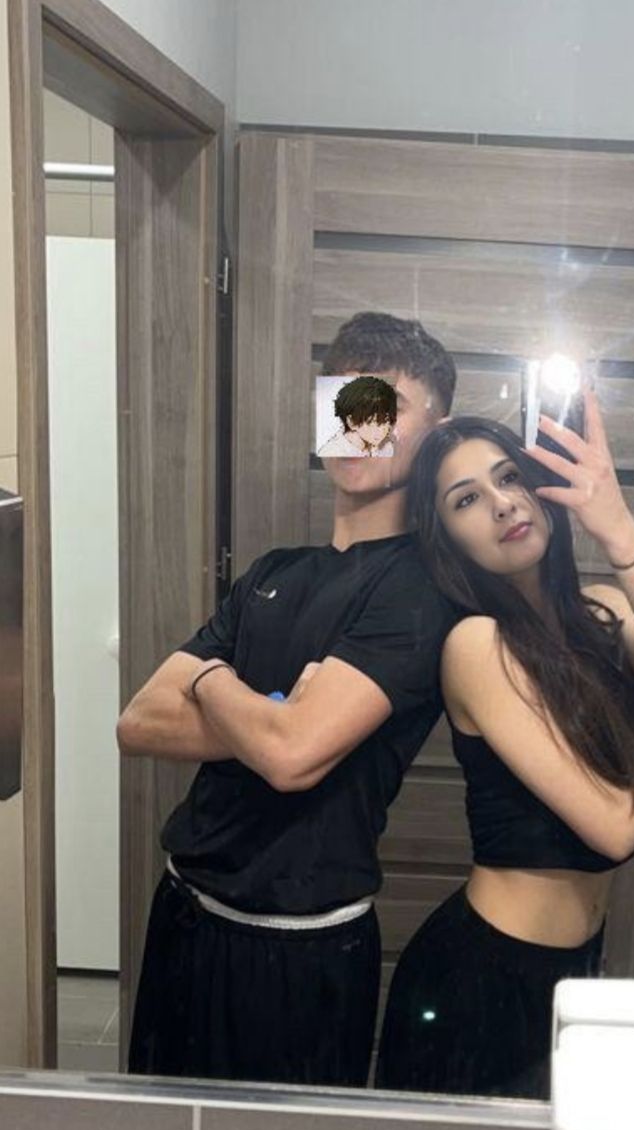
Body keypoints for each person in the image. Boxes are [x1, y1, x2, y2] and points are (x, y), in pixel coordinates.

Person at [119, 312, 458, 1087]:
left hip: (301, 946)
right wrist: (272, 712)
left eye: (387, 405)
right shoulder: (274, 571)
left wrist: (210, 682)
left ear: (436, 434)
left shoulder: (417, 590)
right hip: (183, 909)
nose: (362, 424)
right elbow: (137, 723)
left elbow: (291, 758)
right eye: (348, 401)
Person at [375, 393, 634, 1100]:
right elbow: (612, 828)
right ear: (447, 540)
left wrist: (617, 528)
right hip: (480, 980)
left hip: (572, 966)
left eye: (508, 478)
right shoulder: (477, 645)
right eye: (467, 500)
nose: (502, 504)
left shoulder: (604, 609)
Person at [317, 374, 397, 458]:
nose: (381, 430)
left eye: (385, 421)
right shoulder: (332, 453)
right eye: (372, 422)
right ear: (351, 422)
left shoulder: (386, 446)